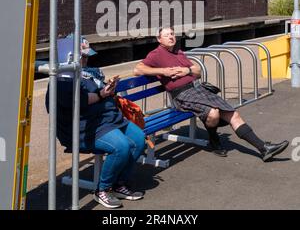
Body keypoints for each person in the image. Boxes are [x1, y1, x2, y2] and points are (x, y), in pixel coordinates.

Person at [134, 26, 289, 162]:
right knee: (213, 114)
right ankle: (214, 141)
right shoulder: (156, 54)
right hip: (181, 96)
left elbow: (197, 71)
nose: (171, 37)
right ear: (159, 39)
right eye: (167, 35)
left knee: (232, 114)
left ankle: (263, 148)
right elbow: (138, 69)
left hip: (197, 89)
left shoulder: (179, 52)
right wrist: (163, 71)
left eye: (172, 34)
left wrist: (186, 70)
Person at [46, 38, 146, 209]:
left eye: (87, 56)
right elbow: (76, 101)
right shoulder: (63, 80)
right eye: (82, 56)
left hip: (109, 119)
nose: (85, 60)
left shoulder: (89, 72)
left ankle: (118, 184)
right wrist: (102, 94)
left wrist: (109, 89)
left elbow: (98, 93)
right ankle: (103, 189)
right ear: (69, 57)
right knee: (120, 147)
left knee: (139, 140)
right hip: (85, 127)